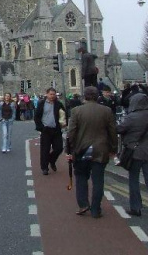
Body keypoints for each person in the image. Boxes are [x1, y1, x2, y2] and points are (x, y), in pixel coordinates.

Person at [66, 86, 117, 218]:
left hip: (82, 150)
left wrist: (69, 149)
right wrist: (113, 149)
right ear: (97, 96)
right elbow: (112, 132)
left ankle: (83, 204)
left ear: (85, 96)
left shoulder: (76, 111)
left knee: (81, 177)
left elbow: (71, 133)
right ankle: (95, 209)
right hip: (100, 150)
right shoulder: (106, 111)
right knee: (98, 180)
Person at [117, 92, 148, 220]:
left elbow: (119, 129)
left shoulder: (131, 117)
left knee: (134, 180)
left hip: (135, 153)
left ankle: (136, 207)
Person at [34, 87, 65, 175]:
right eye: (50, 94)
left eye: (54, 94)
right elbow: (37, 116)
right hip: (46, 129)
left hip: (56, 130)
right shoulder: (41, 103)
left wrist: (63, 123)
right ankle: (44, 168)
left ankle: (51, 160)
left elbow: (64, 113)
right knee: (45, 149)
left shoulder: (58, 104)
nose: (52, 96)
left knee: (59, 148)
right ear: (47, 94)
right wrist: (40, 127)